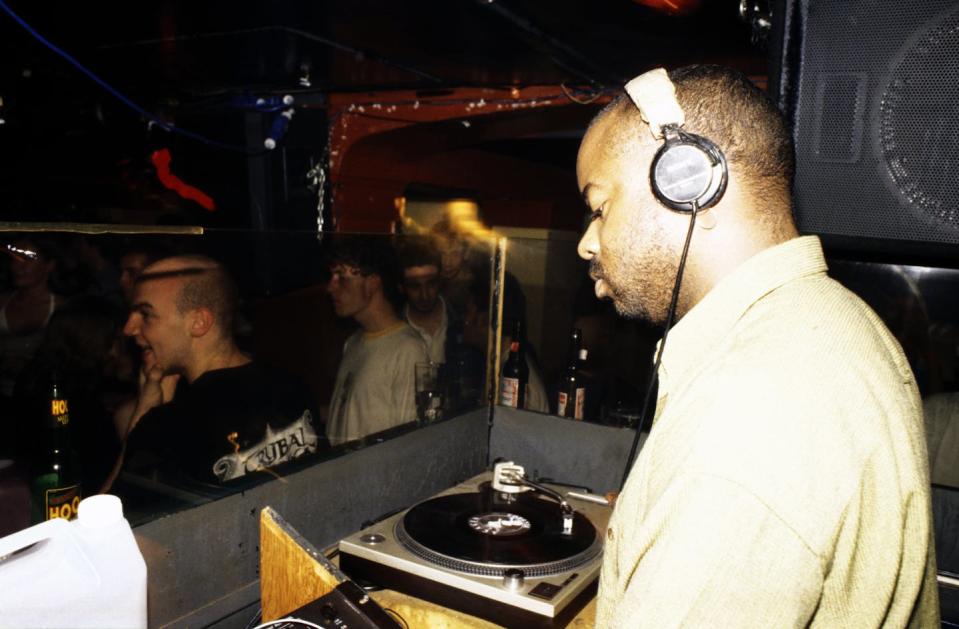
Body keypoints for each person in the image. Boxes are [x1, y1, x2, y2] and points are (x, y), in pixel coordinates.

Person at [576, 65, 938, 626]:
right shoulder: (833, 323)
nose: (586, 242)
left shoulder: (752, 412)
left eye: (599, 207)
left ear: (689, 181)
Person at [107, 254, 319, 488]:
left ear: (199, 322)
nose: (129, 328)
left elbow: (106, 520)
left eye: (145, 314)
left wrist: (145, 410)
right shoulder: (292, 385)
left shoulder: (170, 428)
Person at [325, 237, 428, 446]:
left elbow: (409, 443)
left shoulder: (407, 349)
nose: (330, 287)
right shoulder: (352, 343)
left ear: (373, 283)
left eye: (341, 278)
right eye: (331, 277)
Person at [0, 238, 64, 398]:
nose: (17, 266)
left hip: (42, 397)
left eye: (28, 259)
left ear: (49, 265)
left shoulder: (62, 308)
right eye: (14, 259)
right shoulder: (2, 302)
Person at [397, 237, 455, 365]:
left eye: (431, 283)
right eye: (414, 286)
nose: (425, 295)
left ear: (440, 280)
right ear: (402, 288)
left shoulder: (460, 320)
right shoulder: (393, 329)